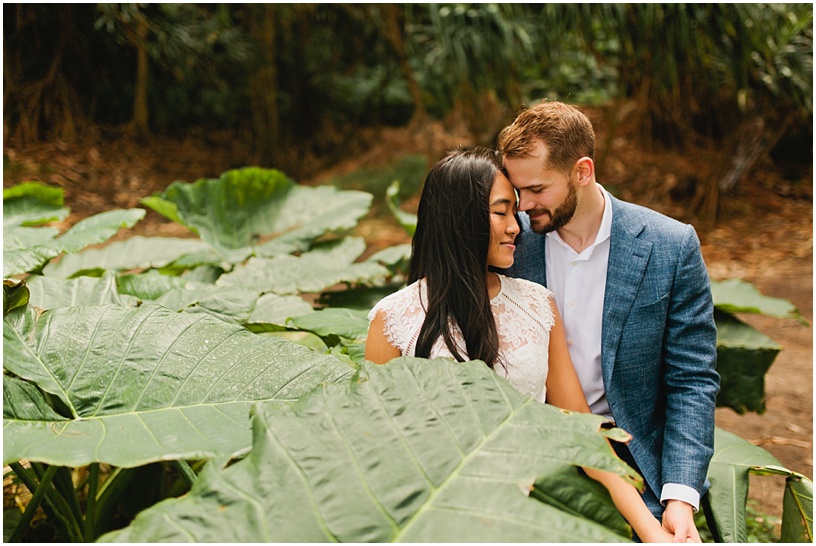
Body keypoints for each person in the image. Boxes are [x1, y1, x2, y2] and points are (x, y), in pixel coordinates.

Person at [365, 146, 675, 542]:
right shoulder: (393, 320)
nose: (517, 226)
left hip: (526, 515)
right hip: (434, 519)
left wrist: (650, 529)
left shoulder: (536, 304)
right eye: (501, 212)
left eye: (515, 211)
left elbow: (584, 430)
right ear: (459, 218)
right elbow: (379, 452)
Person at [495, 100, 720, 542]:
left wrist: (679, 495)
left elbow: (692, 379)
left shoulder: (671, 247)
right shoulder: (507, 242)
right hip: (524, 454)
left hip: (635, 460)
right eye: (517, 190)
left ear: (582, 171)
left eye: (537, 188)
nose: (524, 205)